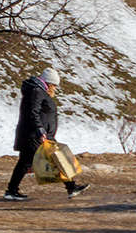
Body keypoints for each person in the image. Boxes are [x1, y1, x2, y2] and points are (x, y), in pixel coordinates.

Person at [5, 67, 85, 201]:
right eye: (54, 85)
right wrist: (40, 130)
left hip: (37, 134)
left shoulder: (38, 91)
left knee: (28, 162)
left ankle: (11, 190)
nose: (54, 88)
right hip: (35, 136)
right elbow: (33, 112)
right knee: (53, 159)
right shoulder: (37, 92)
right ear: (48, 83)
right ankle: (71, 187)